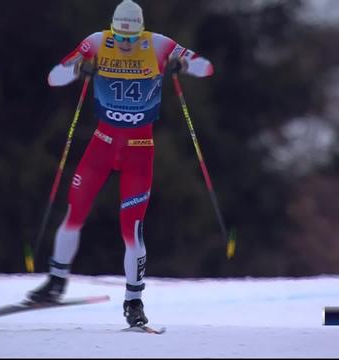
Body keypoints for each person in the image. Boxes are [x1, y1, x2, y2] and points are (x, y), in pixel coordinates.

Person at [27, 0, 214, 327]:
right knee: (75, 211)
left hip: (139, 152)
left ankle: (134, 301)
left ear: (140, 31)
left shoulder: (158, 44)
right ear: (113, 30)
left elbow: (205, 66)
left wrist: (182, 65)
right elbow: (54, 78)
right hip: (102, 146)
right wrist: (77, 69)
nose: (126, 45)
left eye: (132, 38)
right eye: (121, 38)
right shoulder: (97, 42)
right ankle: (56, 282)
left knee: (133, 230)